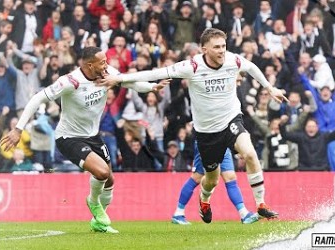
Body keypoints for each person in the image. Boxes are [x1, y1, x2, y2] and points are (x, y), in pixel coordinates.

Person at [99, 28, 288, 223]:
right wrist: (119, 78)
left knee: (249, 152)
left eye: (223, 46)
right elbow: (155, 72)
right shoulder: (192, 66)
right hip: (207, 133)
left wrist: (269, 87)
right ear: (204, 49)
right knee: (211, 179)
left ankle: (261, 203)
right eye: (216, 47)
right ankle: (204, 199)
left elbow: (252, 68)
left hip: (231, 119)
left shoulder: (233, 60)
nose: (222, 51)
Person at [0, 46, 168, 233]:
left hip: (93, 136)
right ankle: (93, 202)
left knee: (110, 180)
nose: (107, 65)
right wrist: (18, 129)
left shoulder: (106, 73)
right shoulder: (70, 82)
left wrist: (152, 87)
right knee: (102, 173)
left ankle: (99, 221)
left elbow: (129, 82)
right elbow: (37, 99)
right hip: (69, 138)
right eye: (102, 62)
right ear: (89, 65)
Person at [172, 143, 259, 225]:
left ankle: (244, 214)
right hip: (206, 143)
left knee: (230, 177)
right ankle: (178, 213)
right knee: (197, 177)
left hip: (223, 144)